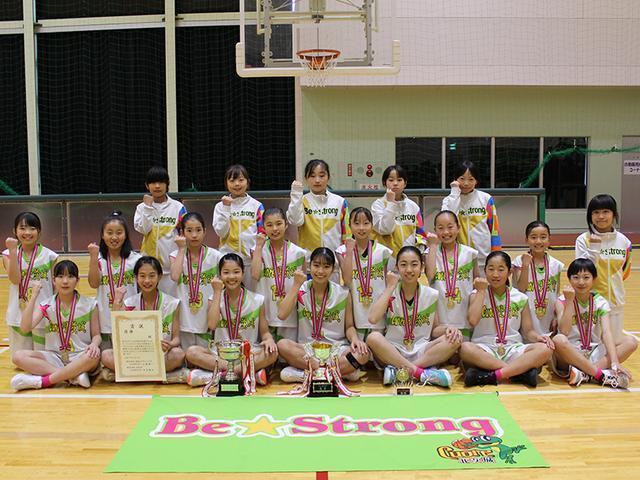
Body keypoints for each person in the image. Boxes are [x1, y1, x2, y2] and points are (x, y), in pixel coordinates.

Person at [367, 246, 459, 387]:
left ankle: (401, 372)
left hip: (422, 350)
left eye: (414, 264)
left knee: (455, 339)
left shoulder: (431, 294)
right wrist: (390, 287)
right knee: (373, 337)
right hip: (394, 350)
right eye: (403, 265)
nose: (409, 270)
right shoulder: (389, 292)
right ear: (397, 267)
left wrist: (449, 329)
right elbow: (373, 319)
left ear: (422, 267)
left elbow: (435, 330)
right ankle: (421, 373)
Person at [461, 251, 554, 387]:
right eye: (491, 269)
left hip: (513, 348)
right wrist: (481, 291)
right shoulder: (477, 294)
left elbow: (528, 331)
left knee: (545, 349)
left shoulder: (520, 297)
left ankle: (494, 375)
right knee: (465, 348)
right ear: (484, 271)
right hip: (485, 348)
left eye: (501, 269)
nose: (495, 274)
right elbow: (473, 320)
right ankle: (517, 372)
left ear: (509, 272)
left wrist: (539, 338)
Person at [276, 248, 368, 383]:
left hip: (336, 349)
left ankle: (307, 374)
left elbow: (349, 326)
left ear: (333, 269)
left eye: (326, 266)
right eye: (316, 265)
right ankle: (338, 373)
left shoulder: (343, 293)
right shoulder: (301, 289)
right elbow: (281, 314)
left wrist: (355, 339)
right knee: (282, 345)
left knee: (362, 354)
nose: (320, 271)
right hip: (308, 350)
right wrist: (296, 284)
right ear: (309, 266)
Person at [185, 253, 278, 387]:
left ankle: (219, 375)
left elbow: (265, 332)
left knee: (273, 353)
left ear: (243, 273)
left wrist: (269, 339)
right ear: (220, 275)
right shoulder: (214, 298)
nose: (231, 277)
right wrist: (217, 292)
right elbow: (212, 325)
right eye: (226, 272)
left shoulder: (257, 300)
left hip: (247, 353)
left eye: (236, 272)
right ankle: (247, 373)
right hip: (221, 355)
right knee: (192, 352)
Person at [10, 261, 100, 390]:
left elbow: (96, 335)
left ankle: (43, 381)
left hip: (80, 356)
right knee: (18, 356)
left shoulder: (90, 304)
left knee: (94, 357)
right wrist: (34, 296)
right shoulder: (46, 305)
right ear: (53, 280)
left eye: (70, 276)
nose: (65, 281)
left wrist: (94, 344)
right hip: (55, 357)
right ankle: (72, 377)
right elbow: (25, 328)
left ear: (77, 280)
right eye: (60, 276)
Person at [552, 258, 637, 388]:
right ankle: (600, 375)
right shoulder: (562, 300)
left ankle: (585, 374)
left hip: (592, 350)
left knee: (631, 342)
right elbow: (564, 331)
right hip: (569, 354)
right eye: (576, 277)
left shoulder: (600, 301)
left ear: (594, 279)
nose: (581, 282)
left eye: (586, 277)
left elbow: (606, 332)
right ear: (569, 279)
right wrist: (569, 302)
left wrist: (615, 362)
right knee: (559, 339)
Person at [101, 256, 187, 383]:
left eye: (152, 276)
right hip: (135, 357)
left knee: (178, 354)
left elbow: (176, 338)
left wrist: (170, 345)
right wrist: (117, 303)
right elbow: (117, 335)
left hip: (161, 355)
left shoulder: (172, 303)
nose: (147, 280)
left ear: (160, 276)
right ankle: (165, 376)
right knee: (106, 355)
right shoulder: (129, 302)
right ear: (136, 277)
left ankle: (129, 375)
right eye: (142, 276)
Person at [575, 194, 631, 342]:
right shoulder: (583, 240)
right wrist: (594, 248)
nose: (601, 216)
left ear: (614, 214)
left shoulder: (624, 241)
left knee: (615, 344)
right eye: (596, 212)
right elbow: (582, 272)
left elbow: (624, 272)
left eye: (606, 211)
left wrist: (615, 290)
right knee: (592, 345)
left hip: (616, 303)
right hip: (592, 302)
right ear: (590, 215)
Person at [3, 212, 58, 354]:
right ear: (14, 231)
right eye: (22, 228)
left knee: (43, 357)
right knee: (21, 358)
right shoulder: (8, 254)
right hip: (18, 313)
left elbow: (56, 288)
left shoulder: (50, 256)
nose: (27, 232)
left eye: (32, 228)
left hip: (43, 314)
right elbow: (15, 279)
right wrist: (13, 251)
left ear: (39, 231)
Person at [251, 207, 307, 343]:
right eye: (269, 225)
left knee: (286, 351)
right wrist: (258, 247)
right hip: (265, 314)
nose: (275, 229)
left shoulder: (299, 253)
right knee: (267, 351)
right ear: (264, 227)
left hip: (290, 314)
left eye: (278, 223)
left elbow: (303, 285)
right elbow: (255, 275)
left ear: (286, 224)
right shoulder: (258, 249)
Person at [336, 207, 392, 342]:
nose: (361, 228)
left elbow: (387, 284)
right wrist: (350, 251)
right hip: (355, 312)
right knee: (359, 350)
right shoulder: (342, 251)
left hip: (378, 311)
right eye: (356, 223)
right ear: (350, 225)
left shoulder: (384, 252)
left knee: (377, 347)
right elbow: (347, 279)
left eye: (366, 223)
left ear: (372, 225)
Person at [87, 211, 141, 349]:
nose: (114, 237)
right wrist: (93, 257)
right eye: (109, 233)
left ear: (126, 235)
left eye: (119, 232)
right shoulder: (98, 259)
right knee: (107, 356)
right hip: (104, 316)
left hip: (130, 316)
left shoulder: (136, 259)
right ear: (102, 235)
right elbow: (93, 284)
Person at [169, 212, 221, 351]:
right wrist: (181, 249)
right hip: (185, 317)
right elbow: (175, 276)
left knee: (205, 355)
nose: (194, 235)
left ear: (205, 231)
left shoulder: (216, 256)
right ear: (182, 232)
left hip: (207, 316)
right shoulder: (175, 255)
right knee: (187, 356)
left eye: (198, 230)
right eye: (189, 230)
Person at [425, 210, 479, 341]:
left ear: (458, 228)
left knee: (463, 350)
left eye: (450, 227)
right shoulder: (430, 252)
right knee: (445, 348)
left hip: (464, 316)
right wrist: (432, 245)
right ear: (435, 230)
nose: (446, 232)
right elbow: (430, 275)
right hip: (440, 319)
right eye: (440, 228)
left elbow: (476, 284)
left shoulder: (470, 253)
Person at [134, 165, 187, 295]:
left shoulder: (178, 207)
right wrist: (148, 208)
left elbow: (185, 234)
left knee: (172, 305)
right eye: (153, 182)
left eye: (161, 182)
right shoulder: (141, 208)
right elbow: (144, 229)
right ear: (147, 185)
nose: (157, 186)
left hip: (171, 270)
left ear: (167, 184)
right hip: (148, 270)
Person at [441, 160, 501, 270]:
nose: (466, 183)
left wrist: (496, 253)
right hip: (459, 259)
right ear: (455, 180)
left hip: (483, 258)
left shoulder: (486, 199)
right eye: (462, 179)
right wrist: (454, 193)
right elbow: (447, 221)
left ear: (476, 181)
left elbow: (494, 229)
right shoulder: (449, 200)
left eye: (471, 179)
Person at [212, 164, 264, 288]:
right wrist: (226, 208)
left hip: (250, 263)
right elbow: (220, 232)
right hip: (227, 263)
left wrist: (255, 255)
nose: (237, 184)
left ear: (248, 182)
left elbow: (262, 234)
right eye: (232, 180)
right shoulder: (220, 207)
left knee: (251, 297)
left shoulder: (257, 206)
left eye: (241, 180)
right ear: (226, 183)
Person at [512, 221, 563, 337]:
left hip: (548, 316)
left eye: (543, 237)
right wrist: (525, 266)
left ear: (549, 239)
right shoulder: (519, 261)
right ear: (526, 240)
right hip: (526, 318)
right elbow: (521, 288)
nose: (538, 241)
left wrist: (557, 315)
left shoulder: (556, 265)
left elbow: (556, 293)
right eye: (533, 237)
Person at [286, 159, 350, 254]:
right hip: (309, 259)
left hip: (335, 259)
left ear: (328, 177)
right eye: (312, 176)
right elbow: (295, 221)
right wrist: (296, 195)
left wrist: (345, 256)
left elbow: (347, 234)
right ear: (306, 178)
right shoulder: (302, 201)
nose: (317, 180)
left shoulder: (340, 202)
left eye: (322, 176)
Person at [371, 165, 427, 256]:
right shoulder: (378, 205)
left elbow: (420, 233)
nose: (395, 183)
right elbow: (385, 230)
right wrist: (391, 204)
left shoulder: (413, 207)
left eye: (399, 180)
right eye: (391, 180)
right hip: (386, 259)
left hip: (409, 258)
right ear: (384, 183)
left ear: (405, 183)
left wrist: (419, 253)